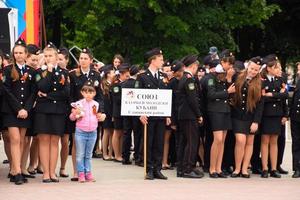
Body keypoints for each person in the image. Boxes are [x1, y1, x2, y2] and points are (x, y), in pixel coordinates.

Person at [2, 38, 37, 185]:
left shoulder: (31, 71)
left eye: (21, 52)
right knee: (15, 139)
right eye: (16, 53)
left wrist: (26, 109)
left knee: (22, 141)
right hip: (11, 111)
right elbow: (7, 91)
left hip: (25, 112)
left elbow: (33, 92)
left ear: (26, 54)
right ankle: (16, 171)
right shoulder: (8, 70)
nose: (18, 55)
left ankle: (18, 169)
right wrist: (19, 109)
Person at [34, 42, 70, 183]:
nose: (48, 58)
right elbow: (42, 86)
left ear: (56, 57)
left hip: (58, 110)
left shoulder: (63, 73)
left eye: (51, 56)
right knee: (43, 140)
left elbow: (65, 93)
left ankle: (53, 172)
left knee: (55, 141)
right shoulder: (39, 72)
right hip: (43, 110)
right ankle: (46, 173)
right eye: (46, 56)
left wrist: (47, 95)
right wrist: (48, 72)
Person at [69, 47, 104, 181]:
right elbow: (70, 95)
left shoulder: (96, 75)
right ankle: (76, 172)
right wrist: (73, 108)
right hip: (78, 115)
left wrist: (100, 111)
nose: (82, 61)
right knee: (76, 145)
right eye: (81, 58)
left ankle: (87, 172)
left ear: (90, 60)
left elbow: (100, 96)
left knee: (88, 151)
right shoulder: (73, 74)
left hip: (92, 116)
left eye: (85, 58)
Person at [135, 48, 168, 180]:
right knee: (148, 142)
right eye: (160, 59)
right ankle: (148, 169)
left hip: (160, 115)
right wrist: (140, 113)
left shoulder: (163, 76)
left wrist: (167, 115)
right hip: (148, 116)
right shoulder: (142, 77)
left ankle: (157, 169)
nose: (163, 62)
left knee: (159, 143)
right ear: (153, 60)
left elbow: (166, 97)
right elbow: (137, 96)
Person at [231, 57, 263, 178]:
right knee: (240, 141)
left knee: (249, 143)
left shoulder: (260, 82)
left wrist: (256, 121)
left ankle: (244, 169)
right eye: (252, 68)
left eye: (256, 70)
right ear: (247, 66)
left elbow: (260, 105)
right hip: (237, 116)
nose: (253, 71)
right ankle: (237, 168)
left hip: (251, 116)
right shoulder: (238, 77)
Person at [206, 49, 235, 178]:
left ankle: (218, 168)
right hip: (215, 110)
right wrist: (227, 91)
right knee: (217, 139)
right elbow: (211, 95)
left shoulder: (226, 75)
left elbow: (231, 93)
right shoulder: (212, 76)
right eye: (229, 64)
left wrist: (228, 79)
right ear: (223, 62)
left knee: (222, 140)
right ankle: (212, 168)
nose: (231, 67)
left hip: (225, 110)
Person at [70, 84, 106, 182]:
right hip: (81, 131)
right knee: (80, 154)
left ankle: (88, 173)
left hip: (93, 132)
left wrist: (102, 116)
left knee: (88, 154)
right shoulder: (78, 104)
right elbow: (72, 118)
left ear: (94, 93)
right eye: (86, 92)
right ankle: (80, 173)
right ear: (82, 93)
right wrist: (75, 113)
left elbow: (97, 116)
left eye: (91, 92)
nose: (88, 94)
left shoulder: (96, 104)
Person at [260, 55, 288, 178]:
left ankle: (274, 168)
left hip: (277, 114)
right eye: (276, 68)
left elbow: (285, 96)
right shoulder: (262, 80)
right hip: (266, 114)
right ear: (269, 69)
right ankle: (265, 168)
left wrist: (271, 95)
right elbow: (262, 98)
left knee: (274, 141)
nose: (278, 70)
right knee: (265, 141)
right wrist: (277, 95)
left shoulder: (280, 81)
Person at [177, 55, 204, 178]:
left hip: (184, 114)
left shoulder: (184, 77)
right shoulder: (189, 79)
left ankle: (182, 168)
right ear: (193, 66)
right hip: (189, 115)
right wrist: (199, 115)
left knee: (184, 142)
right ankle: (187, 168)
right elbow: (192, 99)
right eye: (196, 67)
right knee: (192, 142)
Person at [20, 44, 40, 179]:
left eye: (36, 59)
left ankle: (29, 165)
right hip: (25, 109)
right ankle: (19, 166)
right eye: (32, 59)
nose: (34, 62)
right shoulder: (24, 72)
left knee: (32, 139)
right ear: (27, 58)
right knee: (24, 139)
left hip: (36, 110)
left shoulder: (37, 72)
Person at [122, 65, 142, 165]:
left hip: (126, 111)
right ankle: (137, 156)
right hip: (136, 112)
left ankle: (125, 156)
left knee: (126, 134)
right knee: (137, 134)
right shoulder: (137, 84)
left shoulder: (124, 83)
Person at [111, 64, 131, 162]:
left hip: (126, 111)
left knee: (123, 133)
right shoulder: (116, 84)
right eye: (126, 76)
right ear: (121, 75)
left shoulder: (126, 84)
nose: (128, 78)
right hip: (118, 111)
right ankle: (117, 154)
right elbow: (117, 98)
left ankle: (121, 153)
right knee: (117, 132)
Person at [57, 47, 71, 178]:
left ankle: (62, 167)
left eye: (61, 59)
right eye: (58, 58)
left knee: (65, 141)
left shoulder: (71, 74)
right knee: (53, 141)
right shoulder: (53, 73)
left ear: (66, 60)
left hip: (67, 110)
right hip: (56, 110)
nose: (59, 61)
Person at [100, 65, 115, 161]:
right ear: (108, 74)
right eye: (113, 72)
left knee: (112, 132)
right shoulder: (103, 84)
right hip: (106, 111)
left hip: (112, 111)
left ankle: (110, 153)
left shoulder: (112, 84)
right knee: (106, 132)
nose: (114, 73)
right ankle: (104, 153)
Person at [290, 72, 300, 178]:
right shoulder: (298, 81)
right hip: (295, 117)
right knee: (296, 143)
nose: (298, 71)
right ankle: (297, 168)